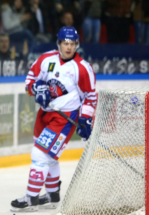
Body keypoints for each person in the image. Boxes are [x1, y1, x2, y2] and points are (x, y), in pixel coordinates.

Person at [10, 26, 97, 212]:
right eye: (65, 43)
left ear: (77, 45)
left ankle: (31, 199)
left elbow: (90, 95)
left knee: (40, 154)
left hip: (64, 118)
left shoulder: (82, 68)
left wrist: (85, 118)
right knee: (48, 156)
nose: (69, 47)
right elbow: (30, 79)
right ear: (59, 43)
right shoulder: (46, 59)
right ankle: (52, 193)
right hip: (44, 114)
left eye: (72, 43)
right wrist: (36, 89)